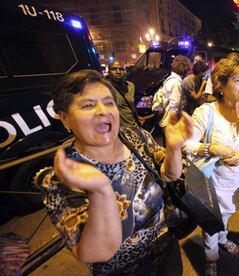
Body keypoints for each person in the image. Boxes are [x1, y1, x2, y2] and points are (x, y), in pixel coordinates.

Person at [37, 70, 193, 275]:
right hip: (124, 270)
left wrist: (173, 147)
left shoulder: (134, 136)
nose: (103, 110)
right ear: (65, 118)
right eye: (88, 105)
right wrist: (100, 191)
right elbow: (96, 252)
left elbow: (170, 175)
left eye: (109, 102)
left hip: (166, 251)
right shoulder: (62, 175)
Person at [183, 56, 239, 276]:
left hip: (238, 182)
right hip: (211, 182)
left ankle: (223, 238)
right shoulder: (206, 113)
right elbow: (185, 144)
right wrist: (212, 148)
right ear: (221, 84)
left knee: (227, 215)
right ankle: (211, 258)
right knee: (211, 222)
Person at [159, 55, 192, 128]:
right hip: (170, 121)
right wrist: (174, 122)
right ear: (185, 69)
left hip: (167, 119)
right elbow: (174, 104)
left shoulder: (170, 79)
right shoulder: (175, 83)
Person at [108, 60, 137, 127]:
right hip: (117, 129)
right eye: (114, 69)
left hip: (132, 126)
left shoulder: (130, 86)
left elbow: (131, 105)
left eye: (121, 69)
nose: (118, 72)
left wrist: (137, 117)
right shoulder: (105, 88)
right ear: (109, 72)